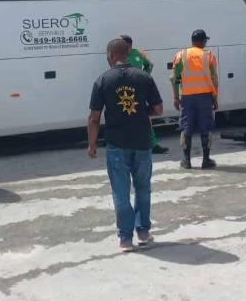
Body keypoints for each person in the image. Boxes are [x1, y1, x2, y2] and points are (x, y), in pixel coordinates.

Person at [88, 38, 163, 252]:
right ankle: (143, 232)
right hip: (142, 141)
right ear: (127, 54)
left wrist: (92, 145)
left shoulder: (102, 80)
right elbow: (158, 109)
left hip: (116, 144)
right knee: (143, 188)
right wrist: (140, 114)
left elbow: (94, 117)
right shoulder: (143, 77)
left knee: (120, 192)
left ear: (111, 56)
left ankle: (125, 239)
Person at [171, 29, 219, 169]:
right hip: (205, 97)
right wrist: (215, 98)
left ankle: (186, 161)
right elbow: (214, 79)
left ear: (192, 41)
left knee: (186, 128)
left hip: (187, 98)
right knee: (206, 128)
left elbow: (174, 78)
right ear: (203, 41)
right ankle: (206, 160)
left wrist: (175, 97)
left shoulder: (181, 55)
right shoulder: (208, 56)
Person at [119, 34, 168, 155]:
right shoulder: (120, 57)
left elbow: (149, 65)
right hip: (126, 92)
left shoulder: (138, 54)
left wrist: (145, 76)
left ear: (127, 45)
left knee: (145, 117)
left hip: (139, 91)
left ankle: (153, 144)